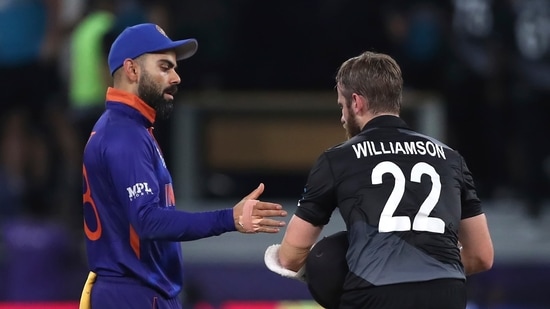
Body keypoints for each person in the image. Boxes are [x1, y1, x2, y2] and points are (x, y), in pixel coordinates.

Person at [79, 23, 288, 309]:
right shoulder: (124, 134)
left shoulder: (128, 129)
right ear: (132, 70)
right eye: (165, 67)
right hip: (133, 294)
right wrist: (229, 219)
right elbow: (148, 220)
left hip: (137, 291)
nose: (176, 77)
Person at [264, 51, 494, 309]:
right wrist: (427, 270)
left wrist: (327, 269)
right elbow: (482, 256)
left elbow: (290, 257)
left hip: (373, 292)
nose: (342, 116)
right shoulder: (451, 158)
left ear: (356, 102)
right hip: (447, 293)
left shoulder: (338, 158)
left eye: (341, 106)